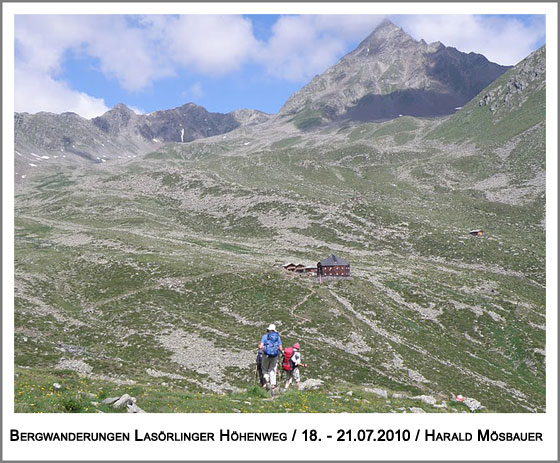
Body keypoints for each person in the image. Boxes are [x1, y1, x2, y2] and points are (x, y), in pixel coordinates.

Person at [258, 324, 282, 392]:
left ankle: (267, 381)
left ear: (268, 330)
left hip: (266, 355)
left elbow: (261, 346)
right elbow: (280, 348)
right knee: (272, 370)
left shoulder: (265, 337)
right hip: (274, 356)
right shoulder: (278, 337)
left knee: (264, 369)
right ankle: (273, 386)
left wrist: (260, 347)